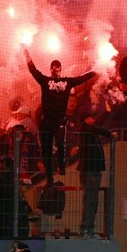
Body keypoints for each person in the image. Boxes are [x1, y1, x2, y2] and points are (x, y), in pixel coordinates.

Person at [23, 49, 95, 182]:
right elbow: (33, 71)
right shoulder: (45, 80)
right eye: (54, 67)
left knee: (61, 143)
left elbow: (82, 78)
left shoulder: (67, 82)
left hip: (59, 120)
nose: (56, 69)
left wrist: (96, 70)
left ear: (61, 69)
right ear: (51, 69)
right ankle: (49, 176)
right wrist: (27, 56)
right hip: (47, 120)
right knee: (47, 149)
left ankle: (61, 166)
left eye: (58, 67)